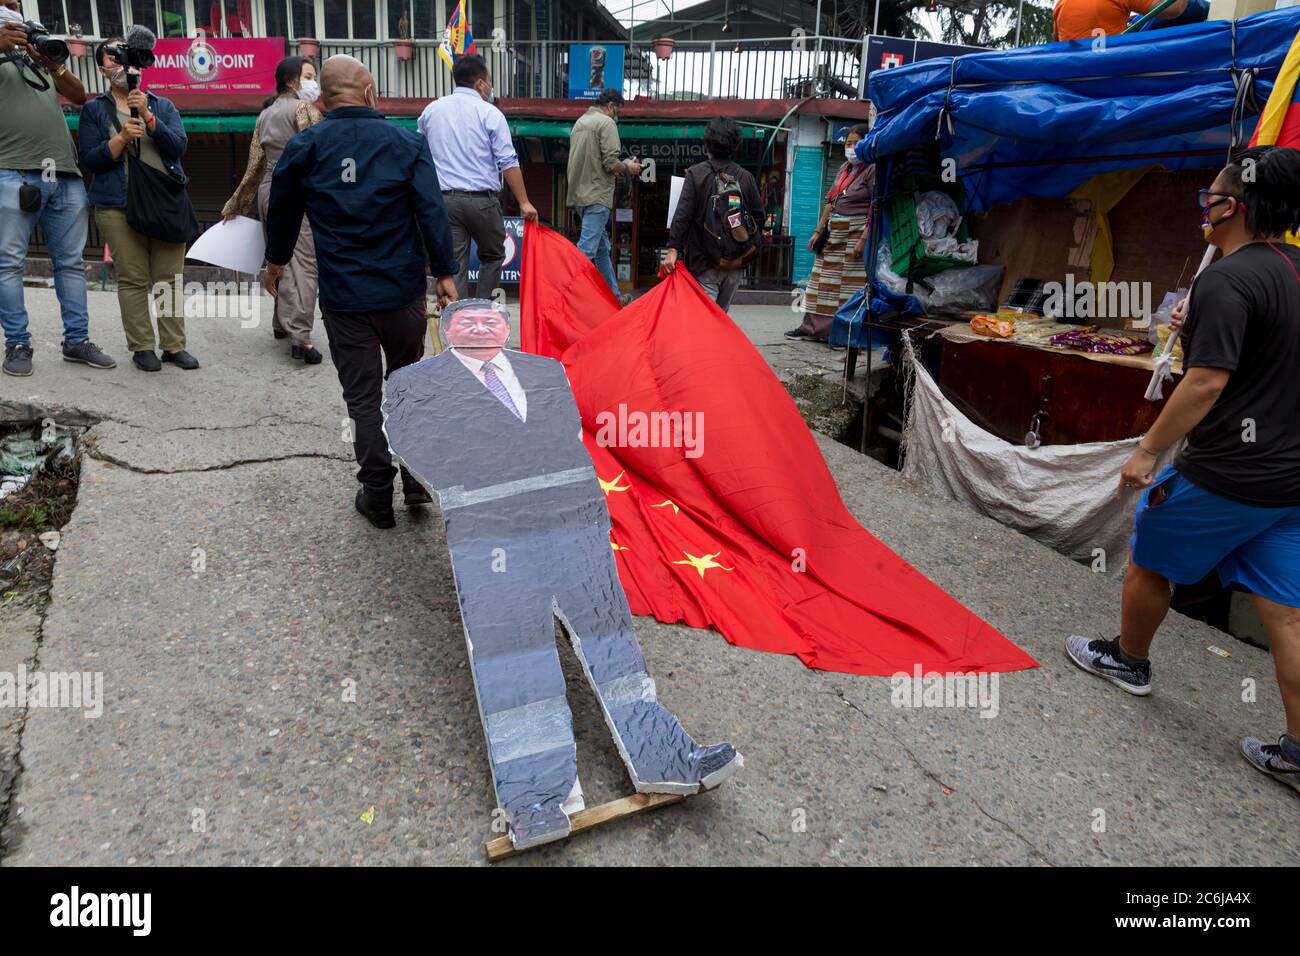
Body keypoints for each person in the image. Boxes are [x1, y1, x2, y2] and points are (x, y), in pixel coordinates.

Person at [382, 298, 742, 850]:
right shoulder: (415, 383)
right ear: (447, 330)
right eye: (466, 321)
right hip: (491, 540)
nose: (480, 326)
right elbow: (417, 447)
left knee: (614, 645)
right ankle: (537, 799)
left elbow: (571, 444)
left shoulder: (545, 373)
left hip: (574, 527)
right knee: (515, 660)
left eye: (491, 318)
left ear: (507, 326)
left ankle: (665, 756)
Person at [1066, 146, 1300, 796]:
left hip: (1227, 471)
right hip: (1289, 483)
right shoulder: (1285, 271)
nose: (1205, 202)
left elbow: (1204, 384)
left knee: (1150, 559)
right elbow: (1263, 352)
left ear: (1236, 206)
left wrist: (1146, 453)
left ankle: (1129, 660)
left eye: (1213, 194)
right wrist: (1199, 325)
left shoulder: (1227, 279)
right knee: (1290, 617)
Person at [264, 54, 459, 530]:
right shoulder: (406, 143)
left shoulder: (305, 146)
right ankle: (413, 480)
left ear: (323, 97)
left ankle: (376, 495)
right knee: (407, 387)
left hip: (346, 296)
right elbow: (432, 212)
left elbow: (283, 210)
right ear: (370, 91)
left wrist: (277, 261)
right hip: (402, 292)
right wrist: (446, 274)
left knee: (363, 397)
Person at [0, 1, 115, 377]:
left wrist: (50, 59)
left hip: (63, 174)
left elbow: (80, 94)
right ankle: (17, 344)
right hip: (12, 171)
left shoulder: (37, 57)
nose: (12, 7)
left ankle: (77, 341)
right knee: (9, 264)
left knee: (70, 264)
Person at [79, 38, 198, 372]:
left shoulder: (162, 106)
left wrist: (147, 116)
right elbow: (90, 159)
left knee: (169, 278)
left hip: (164, 202)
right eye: (113, 61)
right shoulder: (93, 110)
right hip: (117, 204)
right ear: (102, 69)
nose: (122, 67)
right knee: (132, 278)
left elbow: (178, 147)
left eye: (127, 59)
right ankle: (142, 347)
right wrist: (119, 140)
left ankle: (174, 347)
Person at [222, 56, 324, 364]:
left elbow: (255, 165)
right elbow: (316, 155)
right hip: (298, 191)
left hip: (269, 190)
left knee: (277, 257)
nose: (313, 82)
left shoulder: (264, 115)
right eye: (309, 75)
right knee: (303, 265)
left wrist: (236, 203)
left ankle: (281, 323)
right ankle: (301, 337)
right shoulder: (305, 109)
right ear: (293, 80)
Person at [416, 54, 537, 301]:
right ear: (480, 83)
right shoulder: (490, 113)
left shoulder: (431, 111)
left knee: (454, 265)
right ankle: (483, 313)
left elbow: (420, 154)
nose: (491, 87)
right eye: (489, 81)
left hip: (445, 201)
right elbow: (508, 161)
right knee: (492, 257)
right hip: (482, 202)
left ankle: (456, 323)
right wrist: (524, 202)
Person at [662, 116, 763, 313]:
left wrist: (673, 248)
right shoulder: (746, 177)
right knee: (720, 316)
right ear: (735, 145)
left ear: (707, 144)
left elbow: (683, 214)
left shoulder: (696, 174)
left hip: (703, 263)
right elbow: (759, 217)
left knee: (703, 319)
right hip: (735, 264)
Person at [786, 124, 874, 344]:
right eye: (848, 144)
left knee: (847, 289)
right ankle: (809, 328)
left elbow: (876, 206)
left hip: (855, 235)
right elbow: (830, 202)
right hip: (833, 233)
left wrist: (864, 238)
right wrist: (817, 231)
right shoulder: (845, 168)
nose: (852, 148)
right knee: (817, 284)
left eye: (856, 143)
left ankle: (841, 334)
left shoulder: (873, 169)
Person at [566, 88, 642, 296]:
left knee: (601, 250)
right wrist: (628, 168)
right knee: (586, 251)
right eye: (617, 111)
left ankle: (614, 296)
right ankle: (565, 295)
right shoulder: (606, 123)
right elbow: (610, 163)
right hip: (597, 195)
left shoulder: (580, 123)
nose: (617, 117)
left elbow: (594, 161)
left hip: (580, 195)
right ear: (610, 107)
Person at [1053, 0, 1188, 41]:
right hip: (1111, 64)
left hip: (1073, 72)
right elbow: (1174, 8)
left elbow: (1058, 41)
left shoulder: (1061, 4)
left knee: (1138, 21)